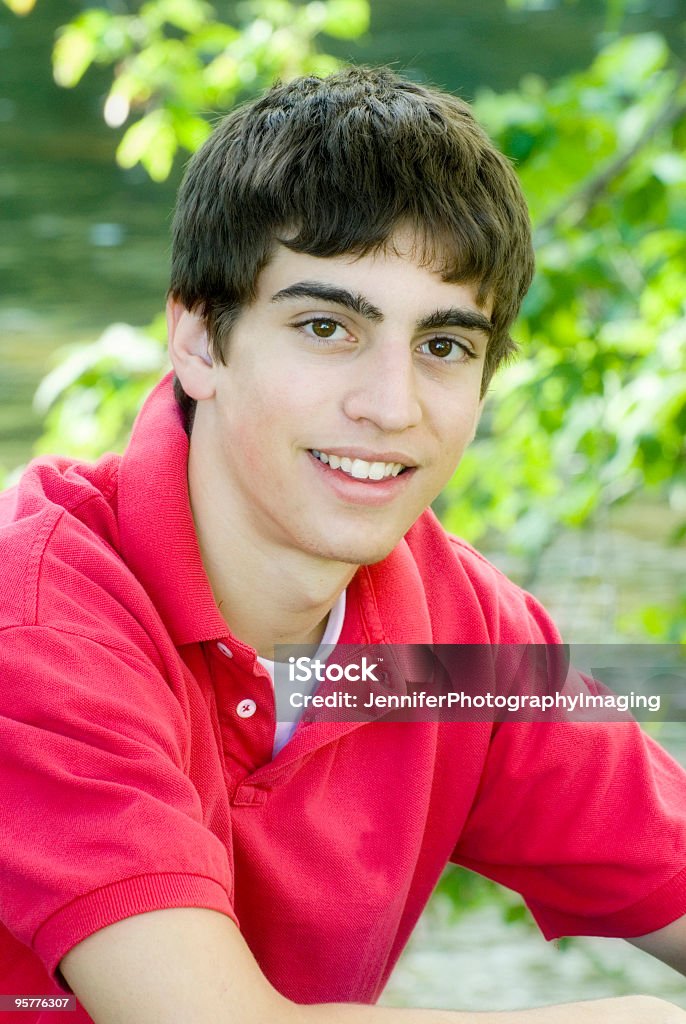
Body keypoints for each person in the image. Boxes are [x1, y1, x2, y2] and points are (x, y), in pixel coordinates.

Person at [0, 66, 685, 1024]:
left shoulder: (453, 640)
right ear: (198, 339)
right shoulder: (38, 623)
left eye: (444, 346)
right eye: (328, 327)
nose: (390, 407)